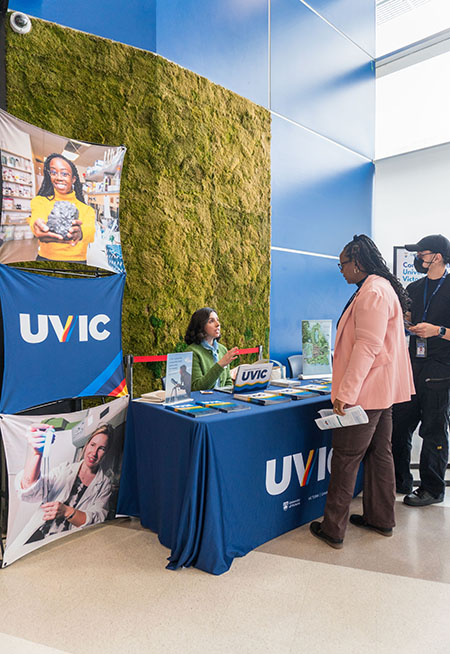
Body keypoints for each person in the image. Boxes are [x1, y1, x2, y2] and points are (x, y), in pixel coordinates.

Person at [310, 235, 415, 549]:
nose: (341, 270)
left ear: (357, 262)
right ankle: (380, 519)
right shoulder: (380, 288)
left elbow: (367, 346)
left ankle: (333, 529)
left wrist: (346, 391)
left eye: (342, 263)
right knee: (380, 454)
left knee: (345, 458)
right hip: (381, 392)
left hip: (366, 394)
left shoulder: (372, 292)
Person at [392, 234, 450, 506]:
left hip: (439, 370)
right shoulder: (414, 288)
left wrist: (437, 331)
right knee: (399, 423)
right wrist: (405, 323)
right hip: (411, 365)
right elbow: (407, 318)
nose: (417, 258)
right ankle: (399, 480)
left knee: (433, 430)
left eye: (421, 254)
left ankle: (432, 489)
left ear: (437, 256)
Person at [12, 423, 114, 549]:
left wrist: (66, 511)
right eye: (92, 445)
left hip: (68, 547)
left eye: (101, 448)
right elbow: (30, 490)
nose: (94, 453)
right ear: (86, 445)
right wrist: (36, 453)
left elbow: (97, 521)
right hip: (36, 540)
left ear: (106, 452)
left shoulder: (104, 485)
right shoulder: (64, 469)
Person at [28, 153, 96, 263]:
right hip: (46, 260)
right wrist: (36, 226)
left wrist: (81, 233)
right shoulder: (40, 201)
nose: (58, 178)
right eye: (54, 172)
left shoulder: (87, 210)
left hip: (77, 262)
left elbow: (91, 232)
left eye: (64, 174)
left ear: (73, 179)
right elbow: (36, 217)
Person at [184, 307, 239, 391]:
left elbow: (228, 381)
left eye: (217, 320)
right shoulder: (192, 352)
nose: (218, 324)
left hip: (221, 401)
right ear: (200, 326)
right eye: (211, 321)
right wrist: (220, 364)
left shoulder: (222, 349)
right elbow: (197, 388)